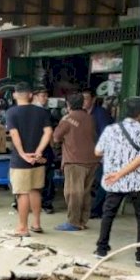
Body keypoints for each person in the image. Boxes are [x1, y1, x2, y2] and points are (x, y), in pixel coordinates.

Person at [93, 97, 140, 267]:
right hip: (136, 181)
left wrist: (116, 168)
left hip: (113, 181)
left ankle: (101, 248)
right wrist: (122, 172)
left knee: (108, 214)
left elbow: (97, 152)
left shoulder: (110, 129)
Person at [5, 82, 53, 236]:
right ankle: (36, 223)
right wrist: (38, 152)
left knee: (22, 193)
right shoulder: (42, 112)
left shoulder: (12, 112)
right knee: (35, 190)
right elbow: (48, 133)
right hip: (38, 160)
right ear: (31, 95)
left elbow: (14, 134)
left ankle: (22, 228)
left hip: (21, 161)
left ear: (14, 95)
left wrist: (22, 153)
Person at [52, 93, 98, 231]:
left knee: (73, 192)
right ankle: (82, 220)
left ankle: (73, 222)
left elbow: (56, 138)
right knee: (85, 192)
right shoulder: (90, 118)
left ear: (68, 105)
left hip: (75, 161)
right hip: (92, 160)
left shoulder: (67, 119)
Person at [83, 88, 115, 219]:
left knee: (103, 180)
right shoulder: (83, 114)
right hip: (91, 153)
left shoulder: (100, 113)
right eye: (82, 99)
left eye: (86, 98)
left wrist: (101, 153)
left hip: (104, 153)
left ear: (93, 99)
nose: (83, 101)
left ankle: (97, 209)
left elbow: (105, 135)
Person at [33, 86, 57, 213]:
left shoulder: (47, 112)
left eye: (46, 96)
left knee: (47, 176)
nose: (46, 98)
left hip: (45, 149)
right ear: (35, 96)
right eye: (43, 96)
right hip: (34, 148)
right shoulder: (31, 112)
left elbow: (51, 133)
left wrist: (53, 148)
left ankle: (46, 203)